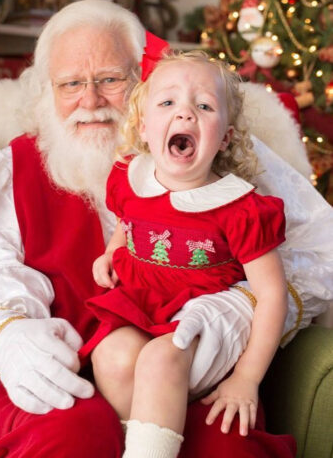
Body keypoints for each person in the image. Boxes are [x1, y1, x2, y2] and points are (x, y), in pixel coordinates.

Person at [0, 0, 331, 457]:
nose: (91, 102)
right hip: (60, 376)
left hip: (188, 370)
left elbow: (315, 250)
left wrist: (239, 308)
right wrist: (3, 335)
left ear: (143, 81)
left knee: (223, 443)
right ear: (47, 92)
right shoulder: (4, 174)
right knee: (68, 435)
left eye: (110, 80)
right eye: (71, 84)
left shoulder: (219, 156)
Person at [82, 48, 288, 458]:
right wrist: (111, 252)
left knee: (162, 356)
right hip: (145, 302)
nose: (185, 114)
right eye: (167, 102)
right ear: (143, 127)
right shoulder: (132, 177)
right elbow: (128, 220)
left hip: (207, 314)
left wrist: (246, 378)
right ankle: (147, 440)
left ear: (225, 137)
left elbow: (272, 294)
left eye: (205, 105)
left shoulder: (238, 207)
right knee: (111, 356)